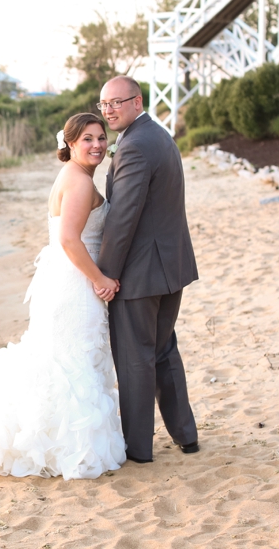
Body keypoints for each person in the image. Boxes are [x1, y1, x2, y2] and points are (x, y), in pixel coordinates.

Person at [0, 112, 126, 479]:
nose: (97, 145)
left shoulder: (72, 175)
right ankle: (66, 449)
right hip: (76, 282)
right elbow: (68, 240)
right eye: (88, 140)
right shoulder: (79, 183)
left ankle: (46, 439)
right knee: (72, 359)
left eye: (101, 138)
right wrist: (101, 280)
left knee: (60, 356)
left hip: (61, 278)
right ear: (70, 144)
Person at [95, 75, 199, 463]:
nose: (108, 111)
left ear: (137, 102)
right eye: (104, 104)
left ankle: (138, 448)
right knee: (162, 350)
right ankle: (185, 435)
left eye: (116, 102)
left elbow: (123, 219)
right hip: (171, 267)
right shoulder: (158, 135)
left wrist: (105, 275)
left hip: (141, 275)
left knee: (135, 358)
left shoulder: (135, 146)